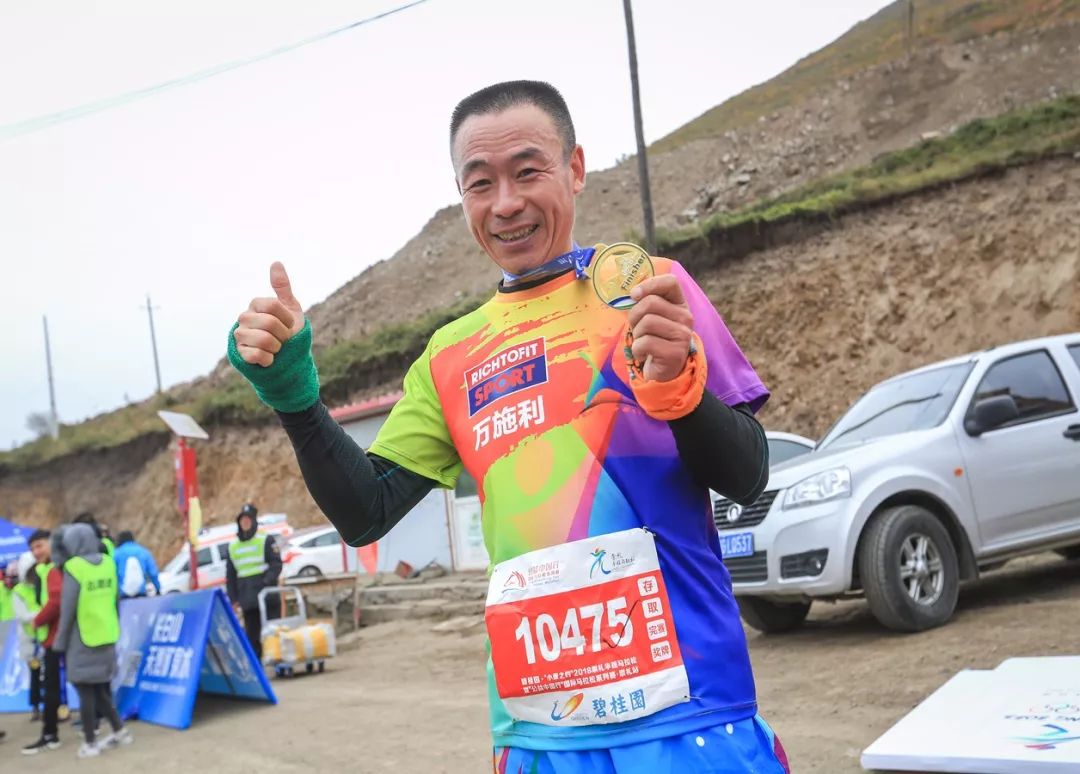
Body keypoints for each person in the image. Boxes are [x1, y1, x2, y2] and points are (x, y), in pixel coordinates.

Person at [227, 81, 789, 772]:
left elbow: (747, 475)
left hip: (691, 714)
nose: (505, 203)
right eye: (480, 183)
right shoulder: (450, 355)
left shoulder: (650, 290)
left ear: (575, 168)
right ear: (461, 197)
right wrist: (294, 396)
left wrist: (682, 394)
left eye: (527, 171)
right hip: (538, 737)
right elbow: (364, 511)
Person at [54, 523, 133, 758]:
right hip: (107, 633)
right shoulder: (108, 562)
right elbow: (116, 600)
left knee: (85, 690)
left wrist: (60, 642)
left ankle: (90, 742)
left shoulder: (74, 567)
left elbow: (68, 609)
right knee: (99, 689)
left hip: (82, 637)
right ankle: (119, 730)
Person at [24, 528, 64, 755]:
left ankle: (50, 734)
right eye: (33, 549)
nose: (36, 552)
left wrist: (38, 620)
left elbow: (56, 602)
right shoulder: (44, 570)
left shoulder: (53, 569)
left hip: (56, 636)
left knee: (52, 687)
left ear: (51, 543)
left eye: (39, 546)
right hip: (53, 635)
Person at [224, 503, 281, 659]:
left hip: (267, 595)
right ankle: (258, 665)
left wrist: (266, 582)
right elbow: (230, 575)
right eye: (242, 520)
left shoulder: (265, 540)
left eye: (248, 520)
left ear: (254, 521)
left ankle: (277, 662)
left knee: (272, 632)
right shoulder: (233, 546)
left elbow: (276, 564)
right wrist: (233, 599)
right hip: (247, 598)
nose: (245, 523)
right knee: (252, 636)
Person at [10, 553, 45, 722]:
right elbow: (23, 615)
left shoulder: (42, 585)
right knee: (35, 674)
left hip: (46, 637)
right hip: (30, 642)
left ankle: (53, 706)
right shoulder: (18, 591)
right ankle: (36, 707)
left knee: (50, 675)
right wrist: (43, 614)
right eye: (31, 570)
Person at [113, 531, 161, 598]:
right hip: (141, 594)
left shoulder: (116, 553)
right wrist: (158, 588)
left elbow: (112, 574)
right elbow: (153, 573)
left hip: (123, 596)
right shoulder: (143, 551)